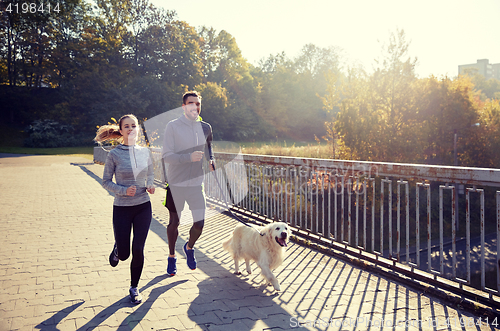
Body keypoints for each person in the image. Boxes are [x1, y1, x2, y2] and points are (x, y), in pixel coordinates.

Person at [94, 114, 155, 304]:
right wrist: (123, 190)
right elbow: (105, 182)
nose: (130, 129)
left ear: (138, 129)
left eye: (133, 126)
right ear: (120, 131)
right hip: (122, 208)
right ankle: (117, 250)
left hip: (143, 206)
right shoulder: (114, 154)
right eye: (126, 126)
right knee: (125, 254)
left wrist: (151, 185)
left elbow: (151, 173)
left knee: (138, 249)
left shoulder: (145, 152)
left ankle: (134, 287)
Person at [162, 91, 214, 276]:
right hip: (176, 183)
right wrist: (188, 157)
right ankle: (171, 257)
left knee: (199, 223)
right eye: (191, 103)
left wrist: (211, 159)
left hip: (196, 183)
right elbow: (166, 156)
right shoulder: (173, 127)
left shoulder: (206, 127)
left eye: (198, 103)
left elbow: (209, 147)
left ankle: (189, 247)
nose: (195, 107)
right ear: (184, 106)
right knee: (174, 222)